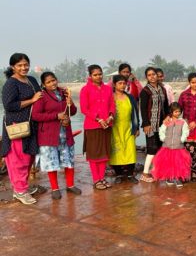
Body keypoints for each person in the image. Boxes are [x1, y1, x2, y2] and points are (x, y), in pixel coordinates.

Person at [32, 72, 81, 200]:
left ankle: (70, 185)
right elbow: (36, 116)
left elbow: (73, 112)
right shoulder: (42, 97)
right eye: (48, 82)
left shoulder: (65, 93)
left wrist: (70, 103)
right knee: (51, 162)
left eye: (53, 80)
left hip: (65, 134)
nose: (52, 83)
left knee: (68, 161)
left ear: (56, 80)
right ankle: (55, 188)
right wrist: (55, 116)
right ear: (43, 84)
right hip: (48, 136)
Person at [2, 53, 42, 204]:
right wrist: (31, 100)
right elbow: (9, 106)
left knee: (29, 156)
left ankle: (21, 188)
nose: (23, 67)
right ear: (13, 67)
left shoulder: (31, 80)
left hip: (31, 124)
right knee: (17, 159)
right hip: (16, 126)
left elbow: (40, 94)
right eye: (19, 65)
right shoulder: (11, 84)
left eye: (26, 64)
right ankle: (20, 191)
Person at [80, 64, 116, 190]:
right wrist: (98, 118)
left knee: (104, 154)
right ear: (90, 76)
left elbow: (112, 105)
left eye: (100, 74)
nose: (98, 76)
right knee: (94, 154)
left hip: (107, 125)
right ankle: (96, 180)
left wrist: (111, 116)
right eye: (95, 74)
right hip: (92, 126)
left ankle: (102, 178)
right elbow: (84, 109)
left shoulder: (107, 89)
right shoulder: (85, 90)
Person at [139, 67, 169, 183]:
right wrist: (145, 124)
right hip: (150, 124)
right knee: (151, 149)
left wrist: (167, 116)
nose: (152, 77)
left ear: (157, 75)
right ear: (146, 77)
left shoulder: (162, 89)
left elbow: (166, 104)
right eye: (149, 75)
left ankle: (155, 171)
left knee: (160, 148)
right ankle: (145, 174)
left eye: (154, 74)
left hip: (161, 125)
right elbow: (142, 109)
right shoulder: (145, 91)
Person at [151, 102, 191, 187]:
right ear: (171, 112)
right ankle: (169, 178)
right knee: (168, 163)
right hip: (167, 147)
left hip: (178, 147)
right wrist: (163, 138)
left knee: (178, 164)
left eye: (179, 111)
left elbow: (186, 131)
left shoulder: (182, 122)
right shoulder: (167, 121)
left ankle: (177, 178)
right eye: (176, 111)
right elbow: (161, 130)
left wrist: (182, 139)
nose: (178, 113)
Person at [109, 75, 140, 184]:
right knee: (116, 152)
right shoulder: (110, 97)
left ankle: (130, 174)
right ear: (114, 84)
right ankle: (119, 175)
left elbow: (135, 113)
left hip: (128, 127)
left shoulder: (130, 97)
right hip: (114, 128)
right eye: (120, 83)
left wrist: (137, 127)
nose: (122, 85)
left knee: (130, 151)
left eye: (124, 83)